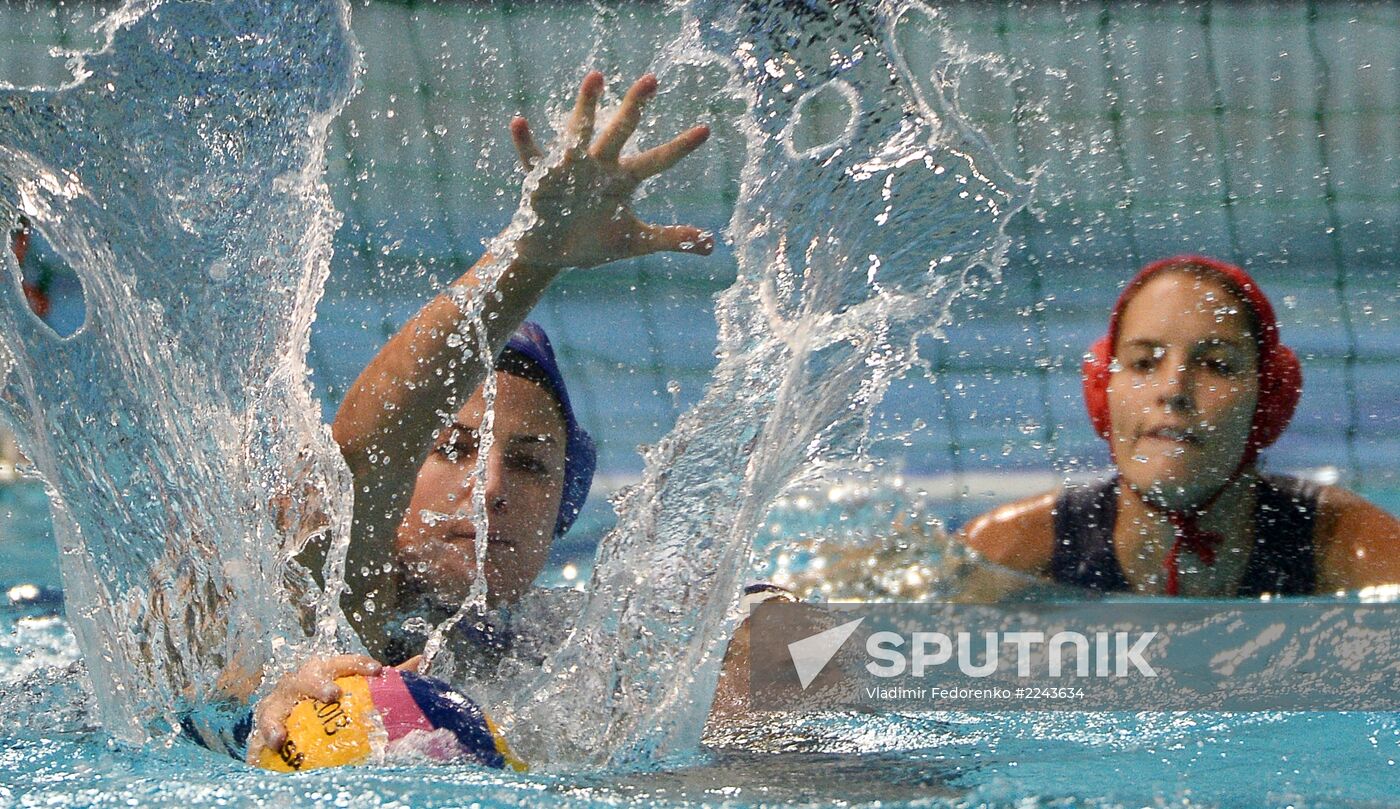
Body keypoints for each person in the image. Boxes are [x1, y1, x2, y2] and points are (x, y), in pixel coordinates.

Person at [243, 72, 780, 765]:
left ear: (568, 498)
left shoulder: (550, 647)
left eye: (529, 463)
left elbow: (782, 640)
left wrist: (764, 639)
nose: (492, 486)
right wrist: (531, 257)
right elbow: (366, 452)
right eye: (453, 448)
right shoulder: (325, 609)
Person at [958, 255, 1400, 597]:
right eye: (1144, 362)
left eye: (1216, 366)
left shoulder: (1346, 546)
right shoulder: (1009, 553)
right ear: (1102, 394)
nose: (1173, 388)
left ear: (1267, 403)